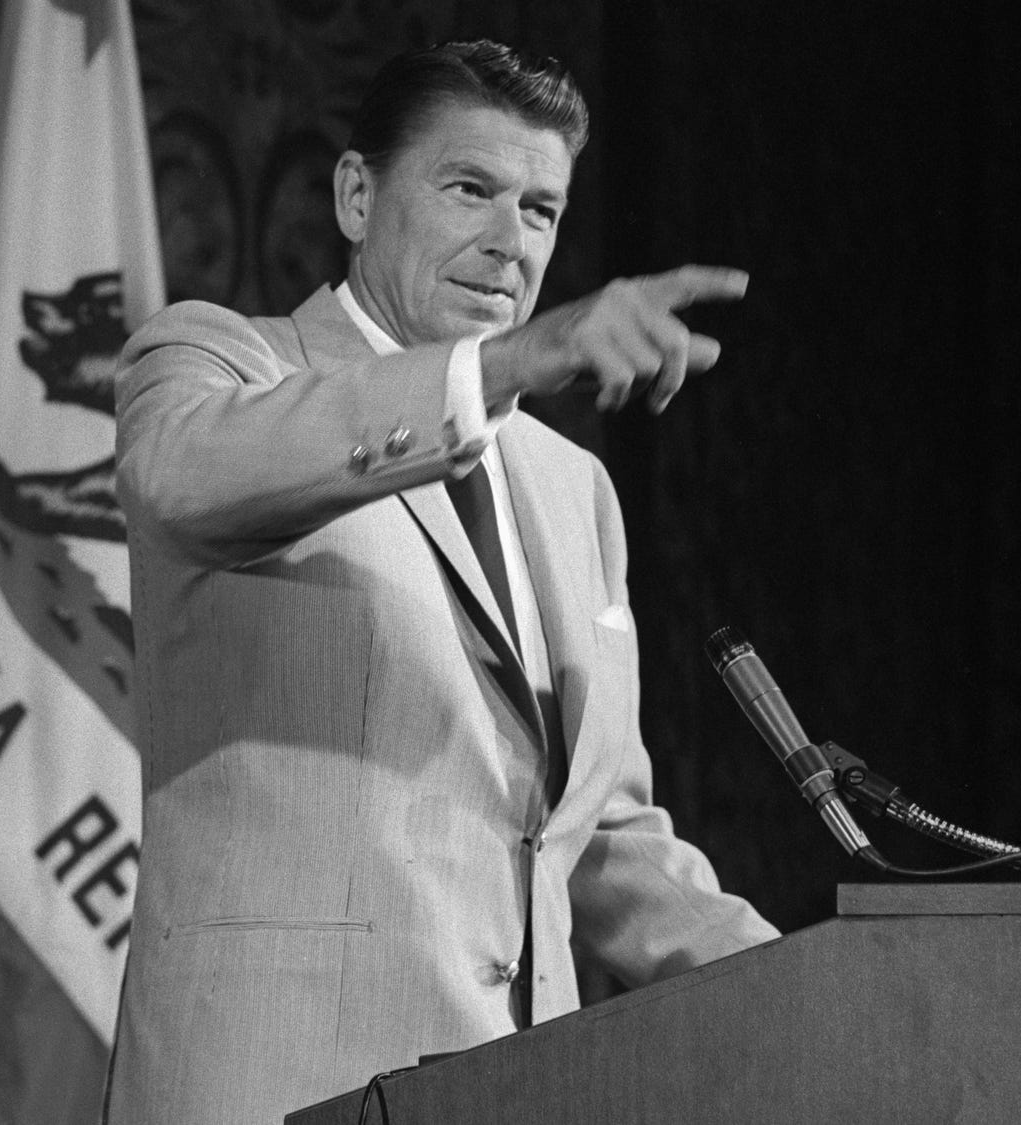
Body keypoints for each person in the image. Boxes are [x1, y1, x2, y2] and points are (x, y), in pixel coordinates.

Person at [105, 39, 779, 1123]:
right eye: (471, 188)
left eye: (542, 211)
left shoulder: (574, 488)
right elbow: (184, 477)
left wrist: (806, 988)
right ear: (357, 195)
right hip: (277, 1084)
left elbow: (595, 834)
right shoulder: (218, 364)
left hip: (516, 1090)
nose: (511, 242)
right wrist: (507, 369)